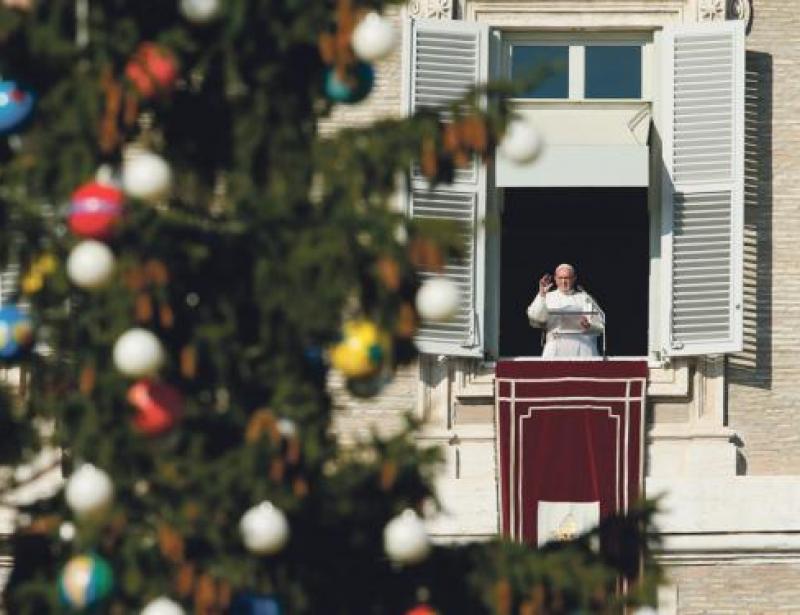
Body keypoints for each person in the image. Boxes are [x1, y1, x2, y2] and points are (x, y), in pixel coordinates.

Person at [526, 263, 604, 358]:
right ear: (555, 278)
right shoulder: (548, 297)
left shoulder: (585, 298)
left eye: (567, 278)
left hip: (583, 348)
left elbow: (600, 327)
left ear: (574, 278)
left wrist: (588, 325)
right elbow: (535, 319)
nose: (564, 282)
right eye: (560, 278)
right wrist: (542, 295)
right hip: (556, 348)